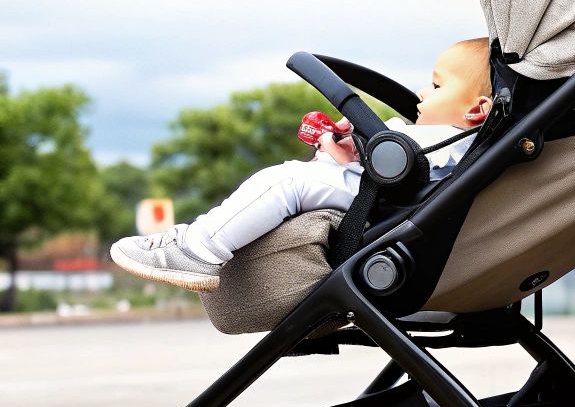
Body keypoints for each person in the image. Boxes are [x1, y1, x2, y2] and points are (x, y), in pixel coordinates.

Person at [112, 38, 492, 291]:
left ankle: (199, 251)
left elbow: (406, 163)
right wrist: (351, 144)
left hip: (386, 202)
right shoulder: (468, 147)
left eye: (438, 87)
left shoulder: (455, 140)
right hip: (381, 192)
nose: (424, 93)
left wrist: (362, 142)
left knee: (284, 181)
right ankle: (196, 236)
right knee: (291, 177)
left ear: (476, 110)